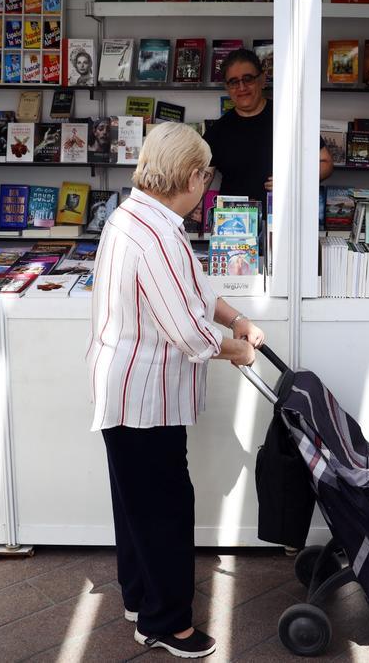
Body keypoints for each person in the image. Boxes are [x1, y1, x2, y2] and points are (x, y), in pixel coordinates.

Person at [86, 122, 266, 659]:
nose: (205, 188)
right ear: (191, 175)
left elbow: (193, 289)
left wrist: (236, 319)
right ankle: (167, 624)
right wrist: (239, 350)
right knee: (164, 508)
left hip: (125, 390)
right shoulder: (157, 233)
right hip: (145, 396)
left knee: (137, 504)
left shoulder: (137, 215)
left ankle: (141, 599)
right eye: (204, 178)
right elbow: (186, 331)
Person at [204, 49, 333, 207]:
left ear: (263, 79)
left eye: (248, 79)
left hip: (287, 222)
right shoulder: (218, 130)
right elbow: (199, 181)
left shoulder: (290, 119)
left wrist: (294, 181)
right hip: (233, 226)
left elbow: (325, 163)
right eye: (233, 82)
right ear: (227, 87)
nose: (242, 87)